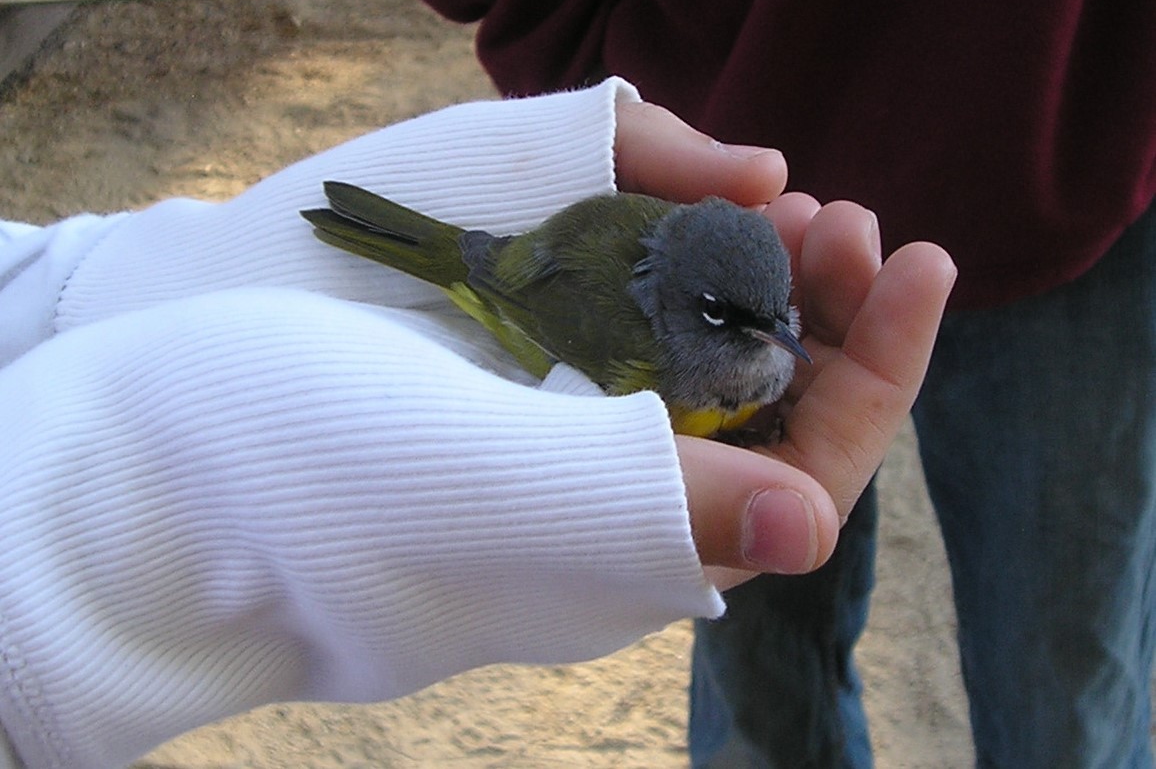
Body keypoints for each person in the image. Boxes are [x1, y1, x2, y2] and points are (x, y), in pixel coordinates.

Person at [0, 77, 953, 768]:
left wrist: (84, 295)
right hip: (515, 284)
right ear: (687, 309)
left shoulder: (744, 318)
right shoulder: (633, 346)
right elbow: (511, 281)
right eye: (738, 324)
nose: (784, 338)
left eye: (781, 313)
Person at [405, 0, 1156, 767]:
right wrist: (577, 70)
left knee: (1067, 685)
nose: (786, 343)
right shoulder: (650, 313)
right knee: (762, 684)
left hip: (1076, 177)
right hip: (723, 136)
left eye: (782, 325)